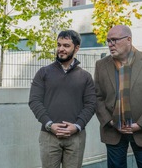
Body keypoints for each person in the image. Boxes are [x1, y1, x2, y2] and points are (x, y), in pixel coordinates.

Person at [94, 25, 142, 168]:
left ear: (128, 39)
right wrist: (111, 122)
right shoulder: (101, 65)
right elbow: (97, 97)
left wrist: (140, 125)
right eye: (108, 41)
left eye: (114, 40)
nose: (110, 44)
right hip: (113, 131)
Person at [29, 30, 96, 168]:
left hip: (76, 137)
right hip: (49, 136)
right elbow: (34, 101)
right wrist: (49, 124)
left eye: (66, 45)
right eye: (59, 45)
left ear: (76, 48)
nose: (61, 49)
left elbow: (91, 104)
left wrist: (77, 126)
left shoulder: (85, 77)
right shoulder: (43, 73)